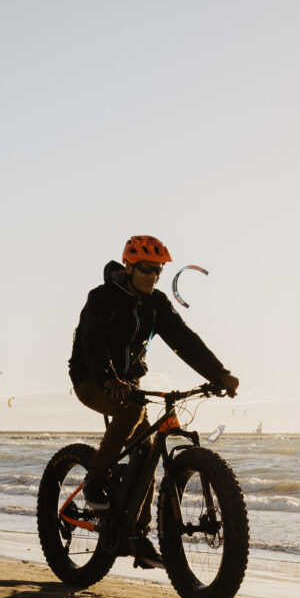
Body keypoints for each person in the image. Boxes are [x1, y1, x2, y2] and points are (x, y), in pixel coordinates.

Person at [67, 235, 238, 568]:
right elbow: (92, 340)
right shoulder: (102, 297)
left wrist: (219, 373)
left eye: (158, 270)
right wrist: (108, 378)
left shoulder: (156, 303)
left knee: (146, 454)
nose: (153, 276)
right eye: (146, 269)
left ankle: (137, 536)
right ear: (129, 267)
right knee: (132, 410)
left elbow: (184, 340)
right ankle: (95, 480)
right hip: (91, 378)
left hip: (127, 384)